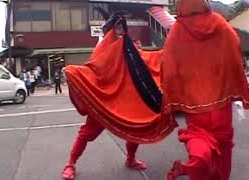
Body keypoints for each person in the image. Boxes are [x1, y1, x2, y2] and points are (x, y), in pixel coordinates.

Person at [61, 15, 175, 180]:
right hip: (104, 100)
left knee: (137, 126)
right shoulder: (103, 50)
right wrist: (72, 71)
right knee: (86, 133)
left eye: (123, 28)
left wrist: (167, 52)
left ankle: (130, 159)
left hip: (127, 98)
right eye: (118, 27)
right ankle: (70, 163)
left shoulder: (129, 47)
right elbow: (92, 70)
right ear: (111, 29)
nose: (121, 31)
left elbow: (146, 59)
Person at [161, 0, 249, 179]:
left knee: (198, 140)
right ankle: (202, 169)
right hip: (220, 104)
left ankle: (192, 166)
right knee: (224, 147)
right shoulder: (218, 23)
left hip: (195, 106)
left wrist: (176, 95)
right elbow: (234, 50)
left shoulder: (177, 30)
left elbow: (169, 69)